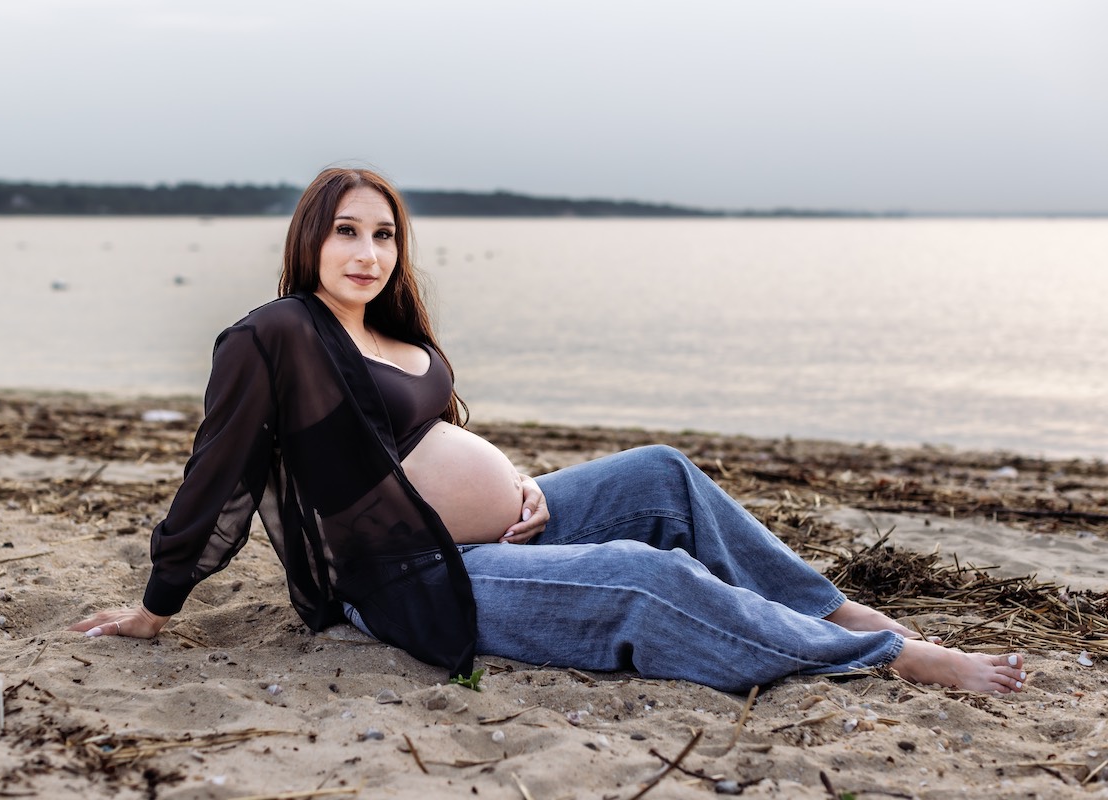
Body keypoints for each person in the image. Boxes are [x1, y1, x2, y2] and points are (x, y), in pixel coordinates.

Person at [71, 168, 1027, 696]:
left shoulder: (399, 333)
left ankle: (835, 610)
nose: (368, 253)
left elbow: (426, 445)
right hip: (406, 585)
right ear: (310, 239)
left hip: (492, 536)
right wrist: (159, 605)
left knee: (662, 475)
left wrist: (519, 482)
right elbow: (219, 470)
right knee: (645, 579)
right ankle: (889, 655)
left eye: (386, 234)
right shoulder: (276, 334)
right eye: (347, 232)